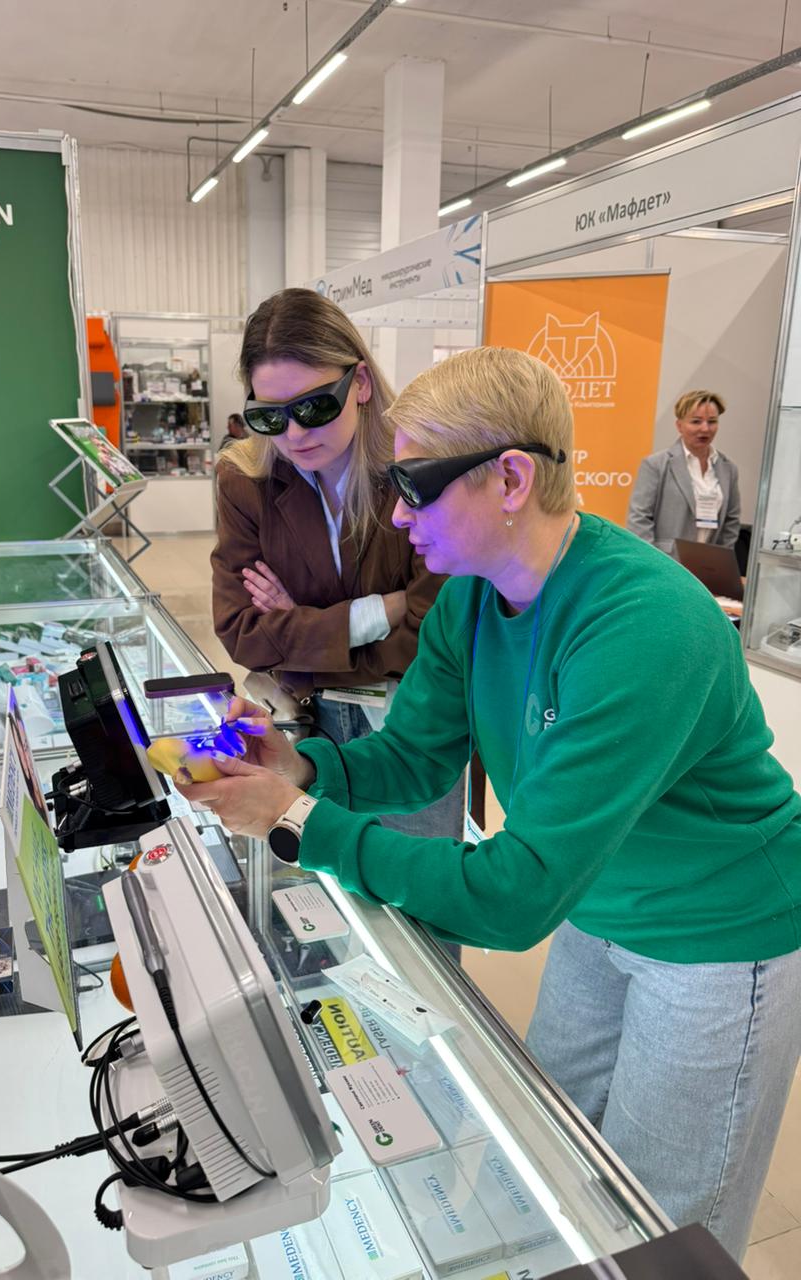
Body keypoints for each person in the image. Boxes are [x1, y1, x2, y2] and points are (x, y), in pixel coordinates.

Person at [182, 346, 801, 1263]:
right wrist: (301, 769)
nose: (397, 514)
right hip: (597, 904)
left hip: (714, 935)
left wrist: (297, 822)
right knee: (554, 1156)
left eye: (415, 487)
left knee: (668, 1233)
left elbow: (514, 896)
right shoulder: (470, 601)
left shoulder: (643, 623)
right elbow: (412, 755)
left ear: (511, 478)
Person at [210, 286, 463, 838]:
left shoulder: (421, 467)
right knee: (323, 879)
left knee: (415, 880)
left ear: (361, 383)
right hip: (304, 725)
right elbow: (241, 632)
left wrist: (297, 631)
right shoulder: (245, 480)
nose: (295, 435)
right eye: (269, 417)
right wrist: (376, 612)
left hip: (410, 727)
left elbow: (434, 635)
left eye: (315, 406)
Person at [626, 390, 741, 553]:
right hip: (666, 560)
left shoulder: (728, 468)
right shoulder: (655, 464)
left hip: (707, 563)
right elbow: (639, 519)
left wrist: (720, 558)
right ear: (679, 425)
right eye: (696, 421)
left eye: (712, 421)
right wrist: (653, 560)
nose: (705, 428)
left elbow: (731, 522)